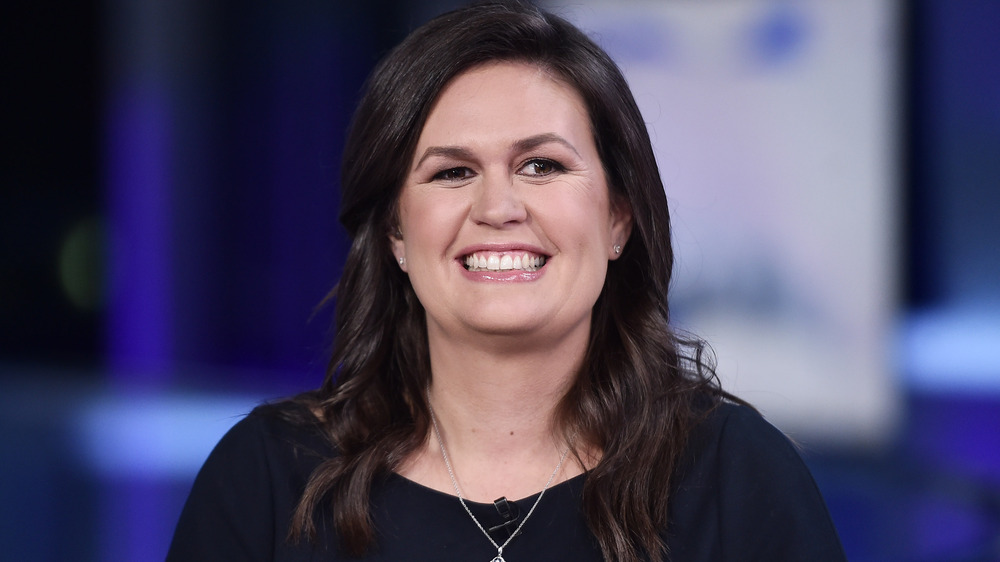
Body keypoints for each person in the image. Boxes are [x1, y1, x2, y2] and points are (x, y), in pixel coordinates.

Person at [167, 2, 846, 560]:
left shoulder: (737, 480)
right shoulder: (267, 479)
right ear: (397, 234)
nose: (498, 208)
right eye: (452, 172)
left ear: (618, 218)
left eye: (543, 166)